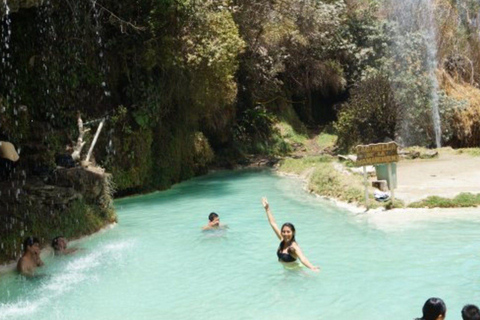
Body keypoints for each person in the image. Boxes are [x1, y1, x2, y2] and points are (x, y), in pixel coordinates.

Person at [261, 197, 319, 272]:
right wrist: (267, 209)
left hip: (295, 271)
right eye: (284, 231)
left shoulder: (293, 247)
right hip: (286, 269)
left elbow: (303, 258)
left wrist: (312, 267)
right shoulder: (282, 239)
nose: (285, 234)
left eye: (288, 232)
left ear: (293, 232)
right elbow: (273, 223)